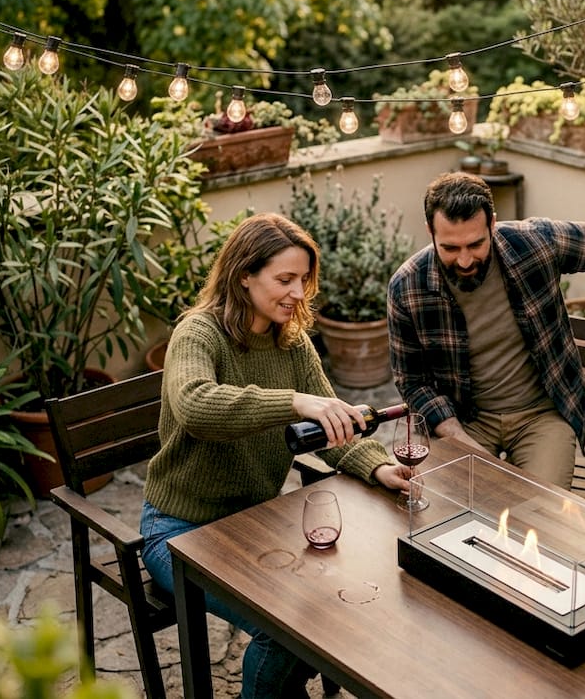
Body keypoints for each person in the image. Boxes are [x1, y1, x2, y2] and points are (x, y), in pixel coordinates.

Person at [139, 213, 412, 698]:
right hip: (180, 532)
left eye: (304, 280)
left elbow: (337, 425)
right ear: (244, 274)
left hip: (254, 522)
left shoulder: (292, 342)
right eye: (284, 279)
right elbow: (196, 406)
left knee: (344, 600)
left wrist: (378, 465)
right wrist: (292, 402)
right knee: (287, 629)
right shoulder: (198, 334)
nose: (298, 293)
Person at [388, 171, 585, 488]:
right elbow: (413, 381)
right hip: (466, 420)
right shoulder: (407, 287)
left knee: (540, 512)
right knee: (452, 514)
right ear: (430, 231)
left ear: (492, 224)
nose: (465, 260)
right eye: (450, 248)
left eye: (476, 244)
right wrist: (457, 437)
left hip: (541, 414)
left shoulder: (535, 242)